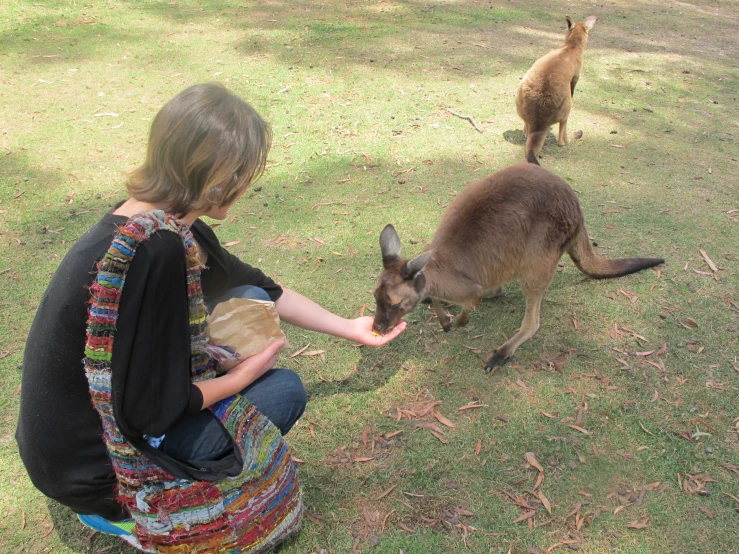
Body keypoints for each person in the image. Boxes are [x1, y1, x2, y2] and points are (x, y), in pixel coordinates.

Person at [15, 82, 406, 552]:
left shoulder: (152, 220)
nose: (246, 187)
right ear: (218, 179)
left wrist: (349, 328)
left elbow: (260, 286)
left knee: (241, 298)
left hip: (60, 449)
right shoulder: (155, 251)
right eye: (243, 175)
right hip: (96, 472)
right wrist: (244, 375)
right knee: (283, 391)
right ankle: (130, 512)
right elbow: (153, 410)